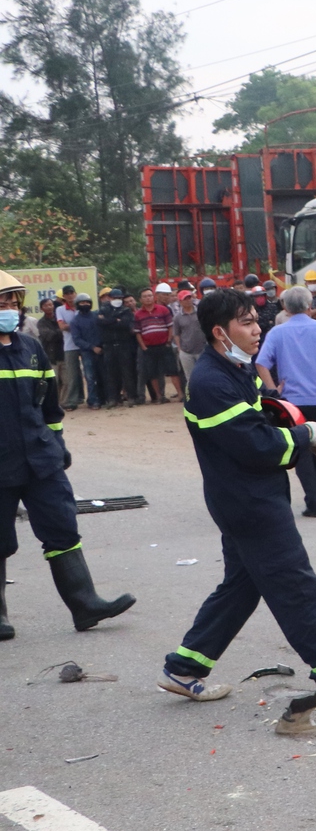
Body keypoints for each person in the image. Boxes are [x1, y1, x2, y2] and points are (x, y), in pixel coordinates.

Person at [158, 286, 316, 724]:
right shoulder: (211, 382)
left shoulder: (233, 370)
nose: (257, 329)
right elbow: (257, 445)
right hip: (249, 503)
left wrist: (297, 429)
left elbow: (262, 423)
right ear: (218, 332)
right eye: (246, 322)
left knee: (241, 587)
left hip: (245, 498)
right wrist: (309, 436)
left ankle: (184, 668)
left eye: (256, 319)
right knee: (294, 583)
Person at [0, 271, 134, 641]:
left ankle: (85, 604)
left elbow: (48, 406)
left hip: (40, 459)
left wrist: (57, 445)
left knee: (62, 527)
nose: (8, 309)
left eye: (13, 302)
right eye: (2, 303)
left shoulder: (30, 347)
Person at [256, 286, 316, 518]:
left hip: (291, 403)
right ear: (310, 306)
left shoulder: (277, 333)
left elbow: (261, 363)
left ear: (285, 307)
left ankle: (315, 500)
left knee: (302, 450)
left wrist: (272, 390)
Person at [97, 288, 139, 407]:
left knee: (127, 372)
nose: (117, 300)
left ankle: (131, 397)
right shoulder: (103, 309)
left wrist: (109, 321)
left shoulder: (126, 310)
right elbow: (100, 323)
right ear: (110, 298)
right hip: (109, 345)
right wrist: (116, 320)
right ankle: (112, 399)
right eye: (115, 298)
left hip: (124, 345)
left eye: (119, 298)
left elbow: (125, 324)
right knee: (111, 374)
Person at [69, 296, 103, 409]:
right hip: (87, 352)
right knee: (90, 377)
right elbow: (77, 339)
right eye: (82, 302)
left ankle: (105, 398)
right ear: (77, 304)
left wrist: (101, 345)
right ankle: (93, 401)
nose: (85, 304)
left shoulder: (97, 316)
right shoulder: (75, 321)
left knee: (103, 375)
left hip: (102, 350)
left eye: (87, 302)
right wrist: (92, 347)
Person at [171, 289, 205, 392]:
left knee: (204, 375)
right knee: (190, 377)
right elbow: (176, 334)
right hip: (186, 351)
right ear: (180, 301)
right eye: (185, 299)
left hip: (202, 349)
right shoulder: (177, 317)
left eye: (189, 298)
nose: (188, 300)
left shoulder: (200, 313)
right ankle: (194, 398)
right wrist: (179, 349)